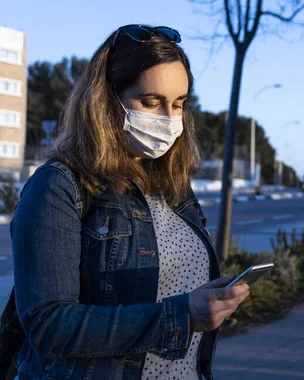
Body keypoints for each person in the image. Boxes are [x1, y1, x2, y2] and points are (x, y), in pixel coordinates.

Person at [10, 24, 249, 380]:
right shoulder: (59, 185)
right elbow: (49, 325)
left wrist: (203, 299)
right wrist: (180, 315)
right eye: (151, 102)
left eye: (179, 104)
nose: (169, 119)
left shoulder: (174, 187)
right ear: (106, 100)